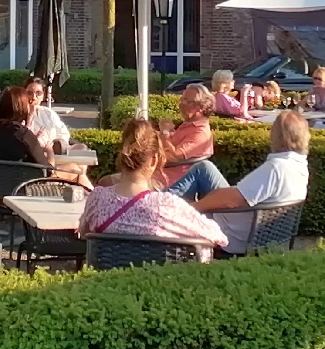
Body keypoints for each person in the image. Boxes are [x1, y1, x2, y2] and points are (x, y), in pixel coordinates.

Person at [79, 119, 227, 263]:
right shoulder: (167, 206)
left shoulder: (97, 199)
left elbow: (84, 233)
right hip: (159, 283)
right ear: (154, 160)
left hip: (108, 282)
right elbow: (218, 236)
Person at [188, 111, 312, 256]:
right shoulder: (300, 166)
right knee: (204, 168)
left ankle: (163, 210)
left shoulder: (276, 168)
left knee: (184, 203)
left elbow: (232, 201)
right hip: (258, 232)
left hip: (233, 236)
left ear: (277, 136)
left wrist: (192, 208)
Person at [0, 86, 91, 188]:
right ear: (22, 108)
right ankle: (99, 202)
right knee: (75, 170)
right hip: (26, 189)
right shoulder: (24, 135)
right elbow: (49, 170)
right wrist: (49, 151)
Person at [156, 85, 217, 186]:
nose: (181, 105)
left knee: (124, 185)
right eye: (181, 100)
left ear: (201, 107)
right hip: (159, 174)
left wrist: (165, 132)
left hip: (172, 181)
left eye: (187, 102)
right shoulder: (188, 124)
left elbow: (174, 156)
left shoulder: (200, 133)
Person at [23, 76, 70, 152]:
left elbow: (63, 133)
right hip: (31, 156)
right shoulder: (18, 114)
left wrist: (55, 144)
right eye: (29, 93)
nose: (34, 97)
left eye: (38, 93)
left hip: (52, 153)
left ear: (43, 96)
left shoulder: (49, 113)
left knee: (82, 147)